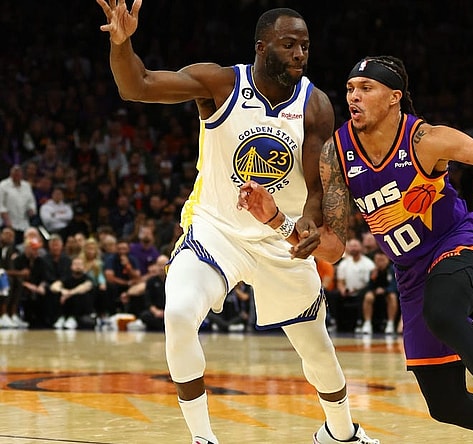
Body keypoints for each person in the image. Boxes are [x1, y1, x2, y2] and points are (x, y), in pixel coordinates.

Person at [240, 55, 473, 444]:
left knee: (444, 313)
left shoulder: (425, 140)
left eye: (366, 88)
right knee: (447, 405)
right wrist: (277, 219)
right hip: (410, 272)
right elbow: (331, 250)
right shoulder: (336, 152)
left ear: (394, 97)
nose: (353, 97)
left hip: (458, 242)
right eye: (349, 89)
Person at [97, 2, 377, 443]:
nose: (300, 53)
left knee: (318, 351)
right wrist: (121, 42)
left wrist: (303, 223)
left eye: (305, 45)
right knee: (178, 312)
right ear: (261, 47)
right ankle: (203, 438)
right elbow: (138, 85)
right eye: (289, 45)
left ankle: (341, 434)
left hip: (277, 237)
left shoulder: (316, 105)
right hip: (217, 229)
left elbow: (317, 190)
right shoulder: (221, 83)